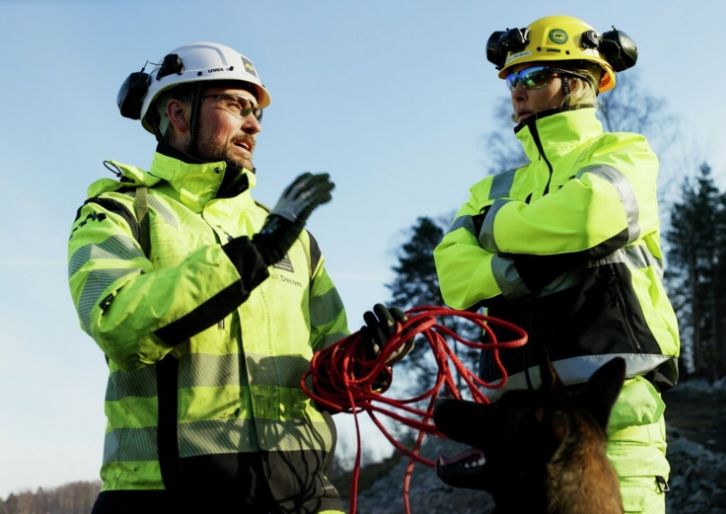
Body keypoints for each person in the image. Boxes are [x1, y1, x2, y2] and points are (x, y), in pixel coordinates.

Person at [67, 41, 405, 514]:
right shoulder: (120, 213)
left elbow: (329, 371)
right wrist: (253, 256)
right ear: (179, 113)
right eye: (235, 105)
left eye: (256, 111)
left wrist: (368, 358)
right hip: (165, 496)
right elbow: (119, 323)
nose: (254, 124)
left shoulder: (292, 238)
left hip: (303, 494)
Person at [433, 15, 680, 514]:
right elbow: (453, 274)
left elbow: (593, 214)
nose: (517, 91)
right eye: (512, 79)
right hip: (518, 436)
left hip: (618, 427)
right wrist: (517, 271)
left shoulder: (624, 152)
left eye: (532, 77)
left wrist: (495, 229)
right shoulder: (493, 187)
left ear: (579, 83)